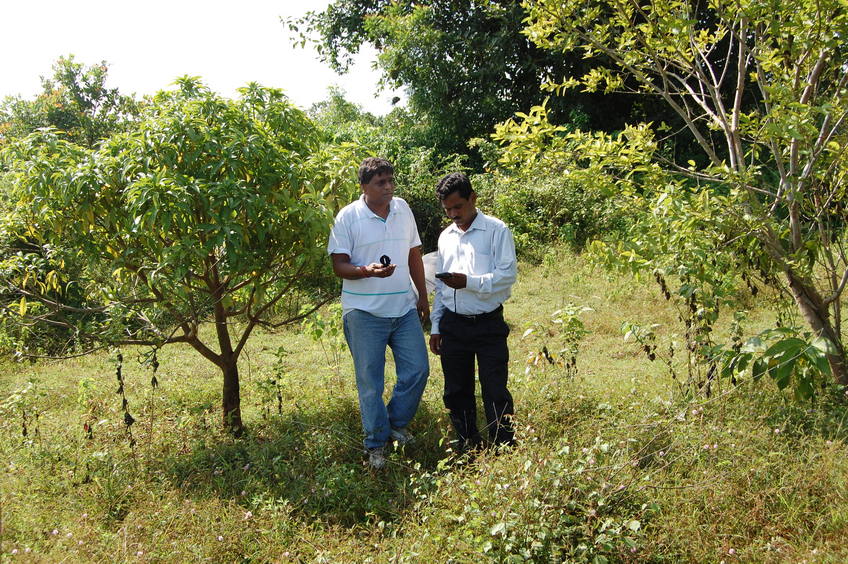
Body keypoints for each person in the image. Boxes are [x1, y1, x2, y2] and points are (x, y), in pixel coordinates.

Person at [327, 157, 430, 469]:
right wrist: (366, 270)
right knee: (370, 383)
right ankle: (375, 445)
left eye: (390, 180)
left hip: (403, 309)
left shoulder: (403, 209)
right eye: (380, 183)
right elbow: (338, 266)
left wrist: (423, 296)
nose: (388, 187)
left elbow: (414, 254)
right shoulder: (347, 217)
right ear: (364, 187)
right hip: (364, 313)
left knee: (417, 371)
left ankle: (394, 426)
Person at [429, 172, 517, 453]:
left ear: (473, 198)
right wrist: (436, 326)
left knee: (495, 389)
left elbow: (506, 276)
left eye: (458, 207)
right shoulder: (446, 237)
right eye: (448, 210)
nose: (454, 214)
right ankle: (468, 445)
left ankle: (503, 447)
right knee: (456, 390)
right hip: (453, 324)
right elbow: (442, 288)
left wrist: (468, 282)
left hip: (488, 323)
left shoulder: (496, 230)